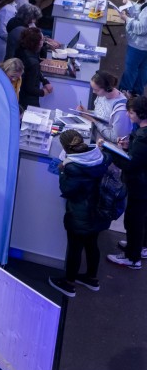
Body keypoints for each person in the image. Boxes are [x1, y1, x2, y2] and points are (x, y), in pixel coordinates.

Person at [48, 129, 111, 296]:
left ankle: (69, 284)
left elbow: (67, 189)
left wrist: (62, 171)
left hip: (79, 213)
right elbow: (108, 158)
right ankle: (92, 278)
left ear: (65, 148)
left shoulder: (72, 167)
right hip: (98, 210)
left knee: (75, 248)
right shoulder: (99, 157)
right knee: (92, 244)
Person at [107, 94, 147, 269]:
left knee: (134, 220)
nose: (127, 115)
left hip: (140, 186)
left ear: (140, 113)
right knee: (142, 219)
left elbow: (131, 165)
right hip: (142, 184)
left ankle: (132, 257)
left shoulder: (143, 137)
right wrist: (128, 146)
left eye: (130, 112)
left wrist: (112, 152)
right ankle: (138, 246)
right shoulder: (141, 133)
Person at [77, 71, 131, 144]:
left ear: (107, 88)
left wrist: (94, 121)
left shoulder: (121, 110)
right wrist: (86, 112)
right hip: (96, 136)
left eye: (96, 90)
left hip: (107, 145)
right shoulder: (102, 95)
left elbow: (116, 138)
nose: (93, 92)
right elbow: (100, 114)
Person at [119, 0, 147, 95]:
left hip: (138, 46)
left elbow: (142, 28)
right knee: (142, 71)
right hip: (143, 46)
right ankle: (137, 96)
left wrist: (126, 18)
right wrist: (129, 5)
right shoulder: (144, 2)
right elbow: (139, 12)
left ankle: (123, 95)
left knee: (130, 70)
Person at [16, 26, 53, 110]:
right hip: (28, 102)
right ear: (37, 43)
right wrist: (43, 92)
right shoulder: (33, 63)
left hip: (18, 95)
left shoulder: (21, 50)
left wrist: (44, 81)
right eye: (42, 40)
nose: (43, 42)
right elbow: (29, 88)